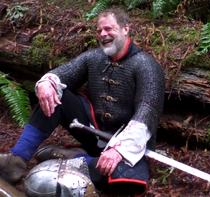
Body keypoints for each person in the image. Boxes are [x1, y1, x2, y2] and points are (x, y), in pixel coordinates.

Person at [0, 7, 165, 196]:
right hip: (94, 132)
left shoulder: (147, 67)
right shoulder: (93, 58)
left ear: (125, 29)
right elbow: (60, 75)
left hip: (128, 144)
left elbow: (146, 115)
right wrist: (47, 83)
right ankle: (16, 160)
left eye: (109, 29)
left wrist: (118, 151)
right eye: (99, 30)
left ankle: (75, 160)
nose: (103, 34)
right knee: (55, 92)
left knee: (125, 180)